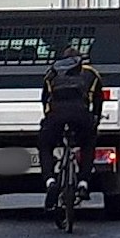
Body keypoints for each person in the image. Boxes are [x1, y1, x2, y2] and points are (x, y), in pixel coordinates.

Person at [37, 48, 101, 211]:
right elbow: (98, 102)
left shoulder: (52, 72)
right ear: (79, 59)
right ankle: (83, 183)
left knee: (45, 145)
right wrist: (95, 121)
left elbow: (44, 100)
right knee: (88, 144)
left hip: (56, 117)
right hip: (81, 117)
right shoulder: (91, 74)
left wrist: (49, 117)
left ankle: (50, 181)